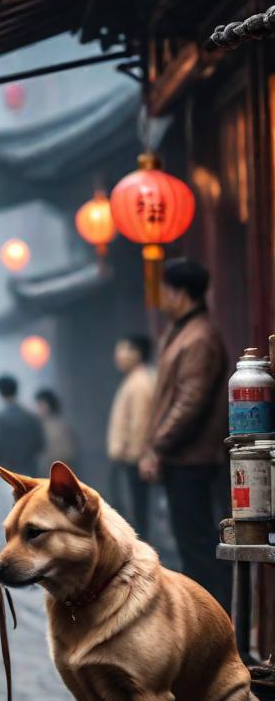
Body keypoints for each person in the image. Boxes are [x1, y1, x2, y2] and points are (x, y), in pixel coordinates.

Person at [140, 259, 230, 610]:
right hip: (183, 459)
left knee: (200, 548)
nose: (163, 298)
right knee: (191, 546)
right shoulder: (183, 331)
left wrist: (158, 446)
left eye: (166, 290)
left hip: (194, 459)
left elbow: (190, 403)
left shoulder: (199, 336)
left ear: (180, 293)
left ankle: (217, 624)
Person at [107, 334, 155, 539]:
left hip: (134, 459)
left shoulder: (139, 382)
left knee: (138, 513)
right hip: (129, 457)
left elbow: (140, 423)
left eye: (124, 349)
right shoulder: (135, 380)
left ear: (137, 354)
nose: (118, 355)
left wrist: (136, 455)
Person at [0, 375, 45, 477]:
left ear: (1, 392)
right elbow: (40, 444)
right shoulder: (30, 416)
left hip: (10, 475)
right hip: (31, 472)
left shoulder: (0, 419)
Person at [34, 388, 79, 474]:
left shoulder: (59, 425)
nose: (38, 409)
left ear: (49, 405)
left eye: (40, 405)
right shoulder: (40, 424)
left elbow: (68, 452)